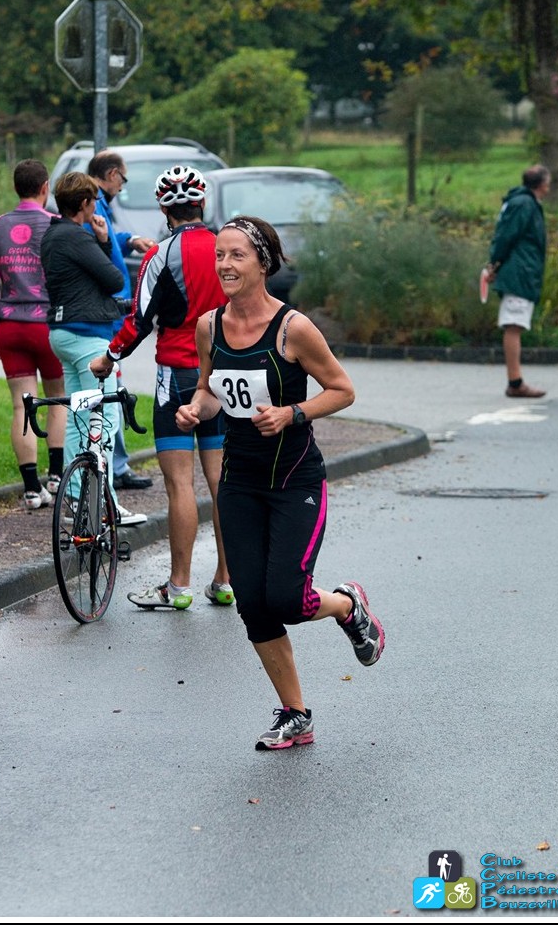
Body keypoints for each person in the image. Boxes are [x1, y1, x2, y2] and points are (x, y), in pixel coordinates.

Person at [174, 215, 385, 750]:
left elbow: (342, 389)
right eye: (219, 255)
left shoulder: (293, 328)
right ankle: (296, 713)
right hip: (239, 480)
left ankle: (347, 605)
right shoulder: (208, 326)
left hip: (294, 479)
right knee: (253, 602)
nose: (224, 265)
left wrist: (292, 413)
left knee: (288, 598)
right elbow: (210, 390)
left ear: (263, 263)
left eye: (236, 255)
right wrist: (194, 409)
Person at [90, 165, 231, 610]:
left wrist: (108, 357)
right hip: (224, 376)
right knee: (221, 482)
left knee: (180, 485)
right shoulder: (228, 250)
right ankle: (225, 581)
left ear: (163, 209)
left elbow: (140, 320)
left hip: (178, 376)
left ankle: (179, 585)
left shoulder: (160, 254)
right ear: (202, 203)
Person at [39, 171, 146, 528]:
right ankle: (106, 503)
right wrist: (104, 241)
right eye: (93, 202)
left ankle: (75, 497)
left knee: (78, 416)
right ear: (85, 203)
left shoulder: (52, 234)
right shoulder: (77, 236)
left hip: (62, 333)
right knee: (106, 417)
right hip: (88, 336)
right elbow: (115, 279)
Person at [0, 159, 67, 509]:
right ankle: (56, 477)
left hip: (10, 326)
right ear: (45, 187)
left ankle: (31, 489)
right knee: (57, 398)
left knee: (22, 405)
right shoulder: (57, 225)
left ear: (16, 188)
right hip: (48, 324)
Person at [87, 149, 155, 492]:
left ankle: (116, 464)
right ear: (112, 174)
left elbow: (110, 241)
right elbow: (99, 249)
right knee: (109, 392)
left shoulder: (100, 205)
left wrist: (129, 240)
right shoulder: (95, 204)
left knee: (109, 389)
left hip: (109, 310)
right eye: (122, 179)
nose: (122, 186)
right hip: (107, 310)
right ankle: (114, 468)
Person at [486, 164, 550, 398]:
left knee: (516, 325)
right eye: (548, 182)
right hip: (519, 272)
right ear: (542, 184)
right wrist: (494, 264)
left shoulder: (523, 202)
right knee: (513, 325)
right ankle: (515, 382)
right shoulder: (524, 204)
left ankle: (515, 381)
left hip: (521, 270)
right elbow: (506, 237)